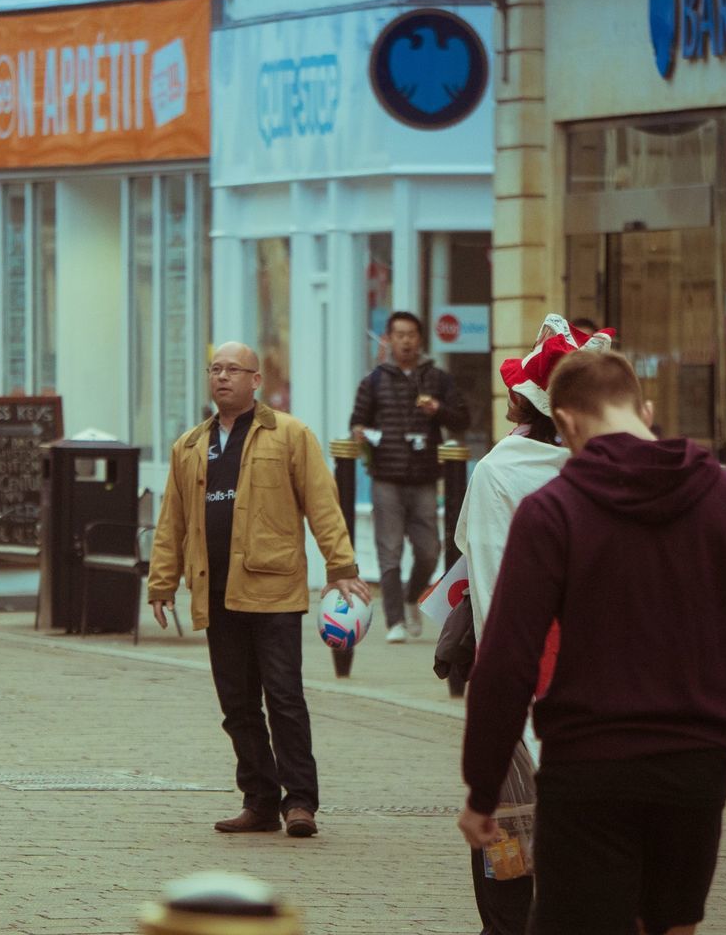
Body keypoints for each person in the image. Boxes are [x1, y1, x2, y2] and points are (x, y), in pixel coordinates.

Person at [458, 350, 726, 935]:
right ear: (644, 409)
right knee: (671, 924)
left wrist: (483, 790)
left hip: (590, 763)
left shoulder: (553, 511)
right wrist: (699, 678)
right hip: (696, 762)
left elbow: (507, 661)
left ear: (564, 422)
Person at [147, 342, 369, 839]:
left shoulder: (289, 435)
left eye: (233, 369)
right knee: (237, 704)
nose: (222, 377)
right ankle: (260, 800)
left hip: (273, 589)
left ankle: (301, 802)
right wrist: (161, 581)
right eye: (215, 369)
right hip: (215, 591)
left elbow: (322, 503)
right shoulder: (189, 445)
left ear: (255, 380)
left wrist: (341, 565)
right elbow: (173, 521)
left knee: (285, 697)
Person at [453, 315, 614, 935]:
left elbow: (490, 589)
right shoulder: (613, 471)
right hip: (609, 703)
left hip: (525, 692)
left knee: (508, 858)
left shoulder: (500, 472)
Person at [351, 311, 469, 642]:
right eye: (399, 334)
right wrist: (360, 433)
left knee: (429, 549)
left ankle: (410, 597)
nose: (406, 341)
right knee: (389, 551)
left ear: (420, 339)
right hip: (385, 476)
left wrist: (438, 411)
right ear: (388, 340)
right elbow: (357, 420)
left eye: (412, 334)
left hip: (425, 476)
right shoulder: (373, 381)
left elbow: (462, 419)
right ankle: (394, 622)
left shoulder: (438, 379)